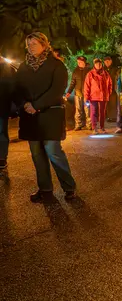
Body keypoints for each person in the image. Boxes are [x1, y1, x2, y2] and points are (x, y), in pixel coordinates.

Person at [14, 32, 77, 202]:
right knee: (36, 154)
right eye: (29, 44)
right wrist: (24, 104)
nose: (31, 47)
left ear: (44, 44)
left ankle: (69, 187)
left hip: (50, 115)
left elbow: (57, 91)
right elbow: (17, 88)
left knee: (53, 152)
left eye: (34, 43)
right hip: (30, 118)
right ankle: (45, 189)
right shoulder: (23, 66)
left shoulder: (56, 65)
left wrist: (36, 105)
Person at [83, 58, 113, 134]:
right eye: (96, 63)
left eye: (99, 63)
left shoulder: (106, 73)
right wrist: (86, 96)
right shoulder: (90, 74)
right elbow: (86, 86)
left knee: (102, 112)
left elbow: (110, 84)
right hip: (93, 96)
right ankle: (94, 128)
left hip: (103, 96)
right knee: (93, 112)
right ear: (94, 65)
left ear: (101, 64)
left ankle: (102, 127)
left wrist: (108, 93)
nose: (98, 65)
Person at [0, 56, 16, 170]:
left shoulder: (8, 69)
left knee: (1, 131)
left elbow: (13, 88)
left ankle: (1, 158)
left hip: (2, 106)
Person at [66, 55, 90, 131]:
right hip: (78, 93)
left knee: (88, 109)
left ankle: (89, 124)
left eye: (81, 62)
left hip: (87, 94)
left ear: (84, 62)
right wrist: (69, 92)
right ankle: (78, 124)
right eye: (78, 62)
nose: (79, 63)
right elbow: (73, 82)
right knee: (78, 109)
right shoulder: (75, 71)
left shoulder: (89, 71)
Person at [103, 56, 122, 134]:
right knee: (108, 105)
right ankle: (109, 117)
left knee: (115, 104)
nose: (107, 62)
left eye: (108, 61)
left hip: (114, 89)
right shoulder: (103, 70)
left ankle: (115, 118)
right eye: (105, 61)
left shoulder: (115, 69)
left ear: (111, 61)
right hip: (105, 90)